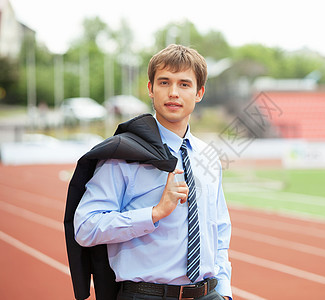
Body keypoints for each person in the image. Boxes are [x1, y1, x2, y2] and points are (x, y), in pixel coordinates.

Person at [73, 44, 232, 300]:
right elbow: (85, 227)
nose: (173, 93)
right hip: (147, 294)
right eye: (164, 82)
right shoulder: (125, 154)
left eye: (184, 84)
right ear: (150, 89)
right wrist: (155, 213)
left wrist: (223, 290)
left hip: (207, 294)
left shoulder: (208, 157)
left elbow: (220, 230)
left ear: (199, 92)